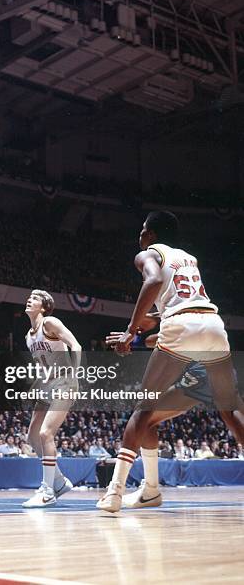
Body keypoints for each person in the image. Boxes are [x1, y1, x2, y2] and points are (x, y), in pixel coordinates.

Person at [97, 211, 242, 513]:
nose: (139, 235)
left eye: (141, 229)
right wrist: (144, 330)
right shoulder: (188, 258)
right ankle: (150, 490)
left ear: (150, 234)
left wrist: (130, 331)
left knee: (143, 407)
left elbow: (153, 281)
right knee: (230, 411)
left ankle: (114, 492)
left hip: (183, 330)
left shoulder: (148, 254)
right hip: (214, 325)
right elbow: (176, 321)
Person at [105, 311, 244, 509]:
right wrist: (136, 337)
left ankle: (150, 489)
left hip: (201, 370)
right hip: (222, 364)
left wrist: (133, 337)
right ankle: (150, 491)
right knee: (232, 417)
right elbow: (154, 334)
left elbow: (153, 336)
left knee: (145, 416)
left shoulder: (170, 310)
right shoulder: (191, 306)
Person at [22, 290, 79, 509]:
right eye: (29, 297)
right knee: (32, 437)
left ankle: (47, 492)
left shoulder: (50, 323)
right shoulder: (29, 336)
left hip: (64, 382)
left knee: (46, 433)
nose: (30, 299)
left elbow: (76, 346)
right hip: (47, 384)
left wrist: (75, 374)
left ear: (44, 307)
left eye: (35, 298)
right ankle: (59, 482)